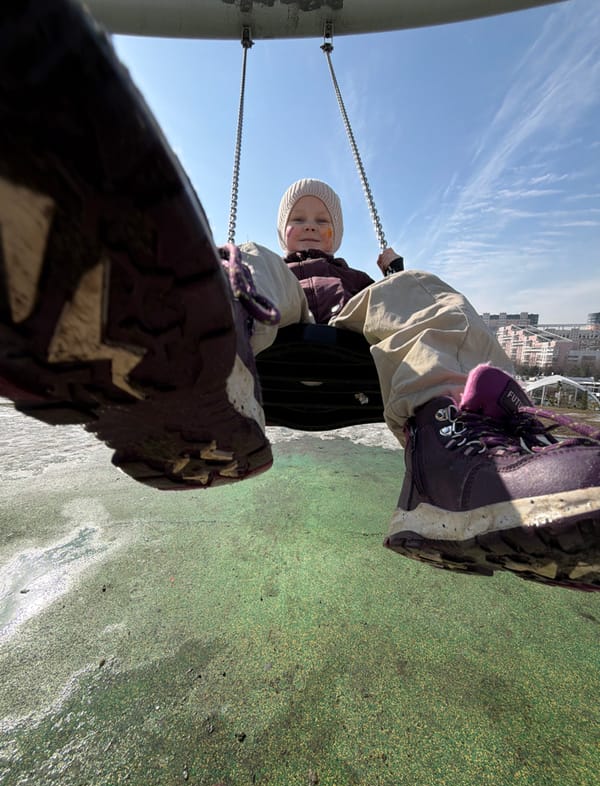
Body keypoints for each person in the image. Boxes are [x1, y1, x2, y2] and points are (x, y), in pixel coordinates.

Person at [0, 0, 599, 592]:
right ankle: (193, 363)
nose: (310, 227)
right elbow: (264, 264)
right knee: (244, 259)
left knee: (424, 295)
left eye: (322, 221)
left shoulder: (355, 277)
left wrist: (396, 274)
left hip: (345, 326)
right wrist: (240, 269)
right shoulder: (275, 262)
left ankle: (458, 462)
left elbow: (398, 311)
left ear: (337, 233)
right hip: (274, 319)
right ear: (287, 227)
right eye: (300, 220)